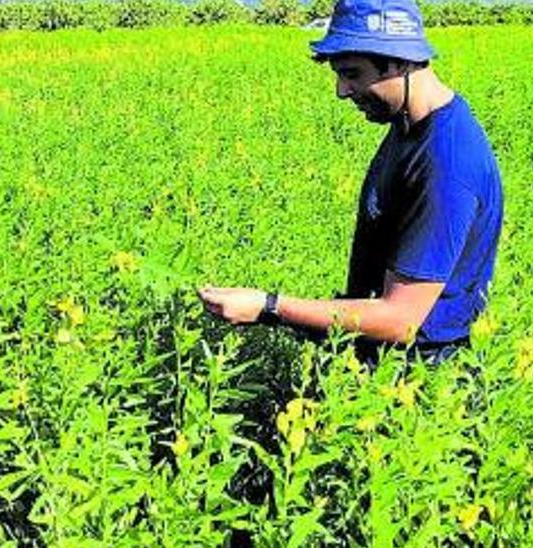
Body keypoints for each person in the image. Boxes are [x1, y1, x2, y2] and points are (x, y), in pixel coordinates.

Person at [199, 0, 503, 366]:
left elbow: (400, 320)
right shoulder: (411, 126)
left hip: (417, 383)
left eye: (352, 74)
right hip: (383, 363)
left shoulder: (447, 164)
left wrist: (269, 307)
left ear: (401, 62)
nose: (341, 91)